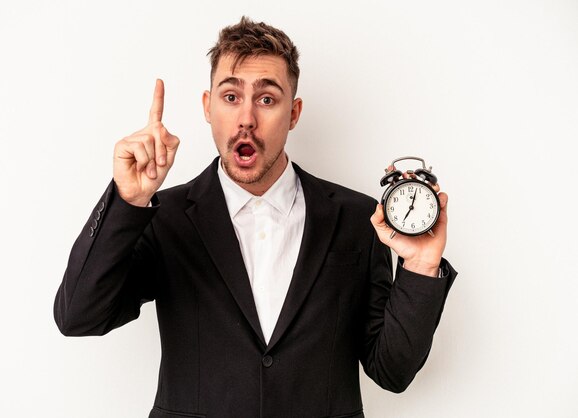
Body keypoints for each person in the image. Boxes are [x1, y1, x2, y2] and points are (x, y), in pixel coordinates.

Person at [54, 16, 457, 418]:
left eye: (266, 99)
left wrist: (421, 265)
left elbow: (393, 371)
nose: (247, 118)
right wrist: (128, 201)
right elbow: (79, 316)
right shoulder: (165, 217)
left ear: (294, 112)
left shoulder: (356, 218)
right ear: (207, 107)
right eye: (231, 97)